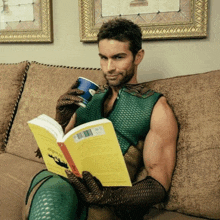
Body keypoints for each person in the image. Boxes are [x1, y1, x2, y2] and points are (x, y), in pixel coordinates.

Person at [24, 18, 178, 220]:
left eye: (118, 57)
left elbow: (159, 184)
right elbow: (51, 154)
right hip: (60, 184)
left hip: (105, 201)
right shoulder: (89, 96)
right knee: (54, 193)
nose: (108, 68)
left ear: (138, 56)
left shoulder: (156, 107)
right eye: (103, 58)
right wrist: (61, 118)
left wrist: (109, 197)